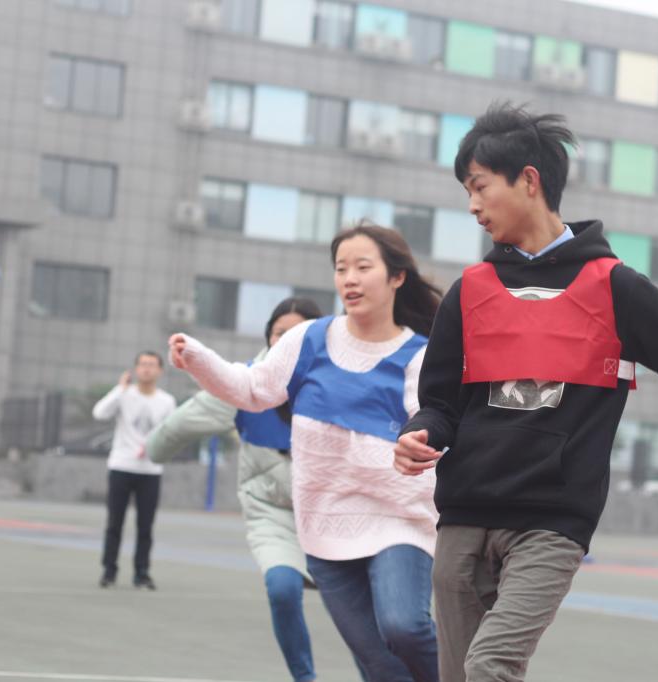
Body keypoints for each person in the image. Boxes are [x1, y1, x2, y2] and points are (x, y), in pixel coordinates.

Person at [393, 102, 658, 682]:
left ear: (529, 180)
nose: (473, 206)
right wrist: (419, 433)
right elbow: (440, 404)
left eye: (480, 187)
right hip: (463, 516)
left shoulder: (618, 290)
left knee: (489, 667)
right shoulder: (469, 291)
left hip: (552, 523)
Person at [168, 225, 442, 682]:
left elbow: (438, 422)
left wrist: (422, 441)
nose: (349, 279)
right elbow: (252, 388)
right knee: (380, 666)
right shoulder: (308, 340)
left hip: (397, 518)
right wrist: (197, 356)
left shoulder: (420, 355)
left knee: (405, 627)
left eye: (363, 267)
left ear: (397, 277)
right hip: (324, 527)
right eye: (341, 268)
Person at [146, 297, 343, 682]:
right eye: (278, 333)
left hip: (331, 514)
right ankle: (304, 677)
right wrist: (154, 449)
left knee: (361, 614)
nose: (285, 341)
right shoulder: (244, 383)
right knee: (282, 588)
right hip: (271, 510)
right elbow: (182, 423)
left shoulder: (339, 382)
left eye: (296, 333)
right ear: (268, 337)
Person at [92, 350, 176, 590]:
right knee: (114, 523)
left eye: (152, 364)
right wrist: (120, 389)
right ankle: (109, 571)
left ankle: (142, 573)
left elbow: (170, 431)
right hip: (121, 466)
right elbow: (99, 413)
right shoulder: (124, 394)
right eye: (143, 364)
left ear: (160, 370)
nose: (147, 369)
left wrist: (153, 448)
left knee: (145, 527)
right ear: (136, 369)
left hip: (150, 471)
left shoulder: (167, 401)